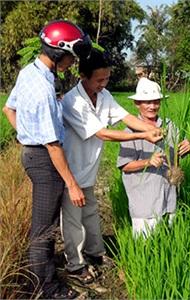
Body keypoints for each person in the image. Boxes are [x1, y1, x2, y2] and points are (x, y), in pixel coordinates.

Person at [2, 20, 92, 299]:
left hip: (33, 153)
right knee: (44, 229)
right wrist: (73, 185)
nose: (72, 62)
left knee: (43, 225)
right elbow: (53, 146)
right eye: (71, 56)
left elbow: (8, 109)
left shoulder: (30, 73)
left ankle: (41, 278)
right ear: (59, 52)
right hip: (44, 160)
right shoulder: (42, 89)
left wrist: (28, 134)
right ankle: (46, 287)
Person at [61, 48, 163, 284]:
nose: (103, 83)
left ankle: (95, 255)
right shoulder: (72, 102)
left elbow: (127, 118)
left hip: (89, 171)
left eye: (106, 78)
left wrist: (152, 129)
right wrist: (143, 137)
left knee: (91, 215)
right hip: (72, 173)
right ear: (83, 76)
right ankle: (75, 266)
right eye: (99, 79)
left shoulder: (104, 95)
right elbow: (102, 134)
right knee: (73, 221)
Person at [117, 79, 190, 238]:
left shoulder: (169, 125)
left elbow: (178, 153)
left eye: (156, 102)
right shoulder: (130, 131)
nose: (152, 106)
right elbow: (124, 166)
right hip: (145, 200)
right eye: (147, 102)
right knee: (145, 246)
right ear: (137, 104)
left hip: (169, 197)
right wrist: (147, 162)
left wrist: (188, 146)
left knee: (169, 240)